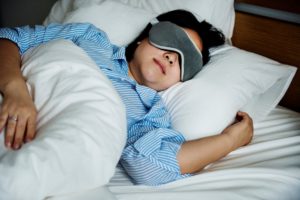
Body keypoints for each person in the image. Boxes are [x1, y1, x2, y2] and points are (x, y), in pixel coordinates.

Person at [0, 10, 253, 185]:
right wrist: (15, 89)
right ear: (145, 37)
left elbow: (152, 165)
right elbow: (9, 38)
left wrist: (230, 140)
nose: (172, 56)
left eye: (186, 60)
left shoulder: (151, 113)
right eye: (171, 41)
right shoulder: (89, 38)